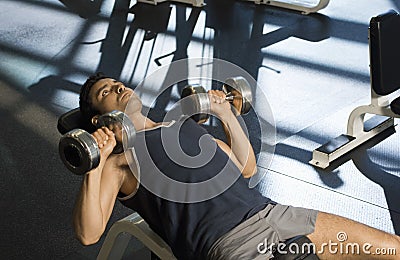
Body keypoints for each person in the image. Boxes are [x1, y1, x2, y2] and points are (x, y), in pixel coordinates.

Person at [72, 73, 400, 259]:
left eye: (117, 83)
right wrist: (94, 163)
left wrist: (225, 113)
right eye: (106, 91)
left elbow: (245, 168)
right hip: (230, 243)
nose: (118, 87)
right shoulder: (118, 162)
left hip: (278, 215)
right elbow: (89, 234)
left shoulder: (179, 126)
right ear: (99, 118)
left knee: (392, 249)